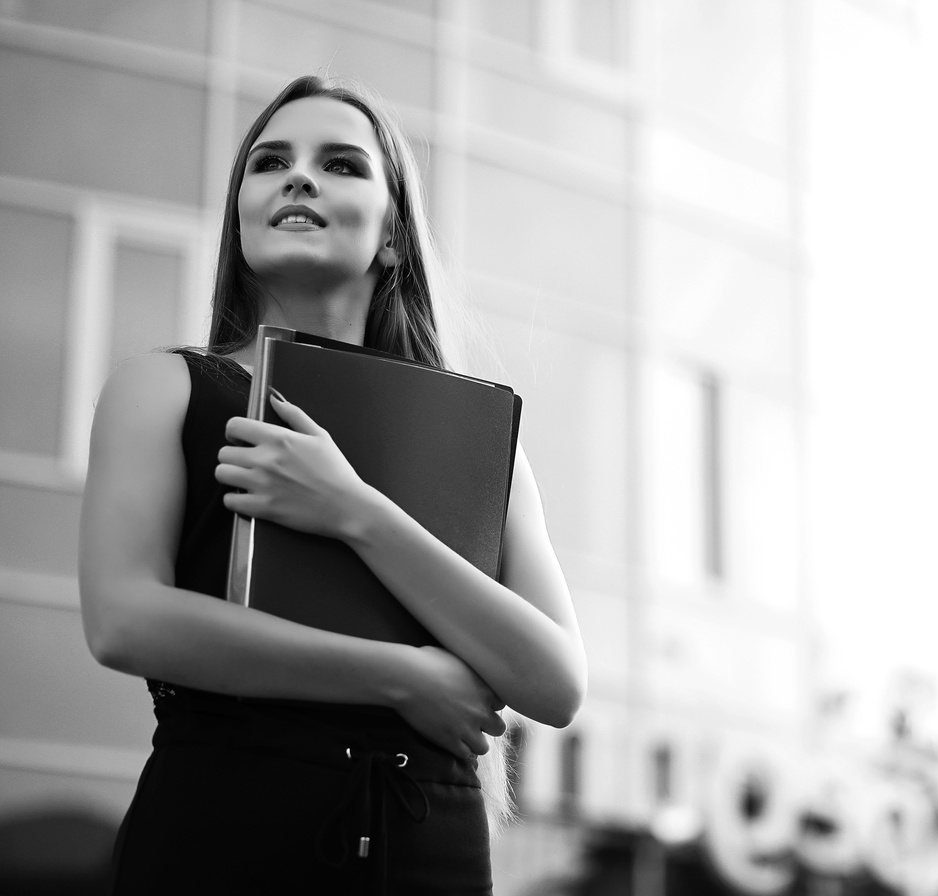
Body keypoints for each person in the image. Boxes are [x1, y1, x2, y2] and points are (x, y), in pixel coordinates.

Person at [77, 75, 586, 895]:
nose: (298, 176)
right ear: (240, 218)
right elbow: (124, 620)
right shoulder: (162, 388)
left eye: (341, 164)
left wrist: (353, 509)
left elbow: (556, 682)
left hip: (431, 849)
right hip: (222, 834)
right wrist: (401, 675)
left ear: (393, 237)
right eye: (270, 161)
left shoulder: (485, 443)